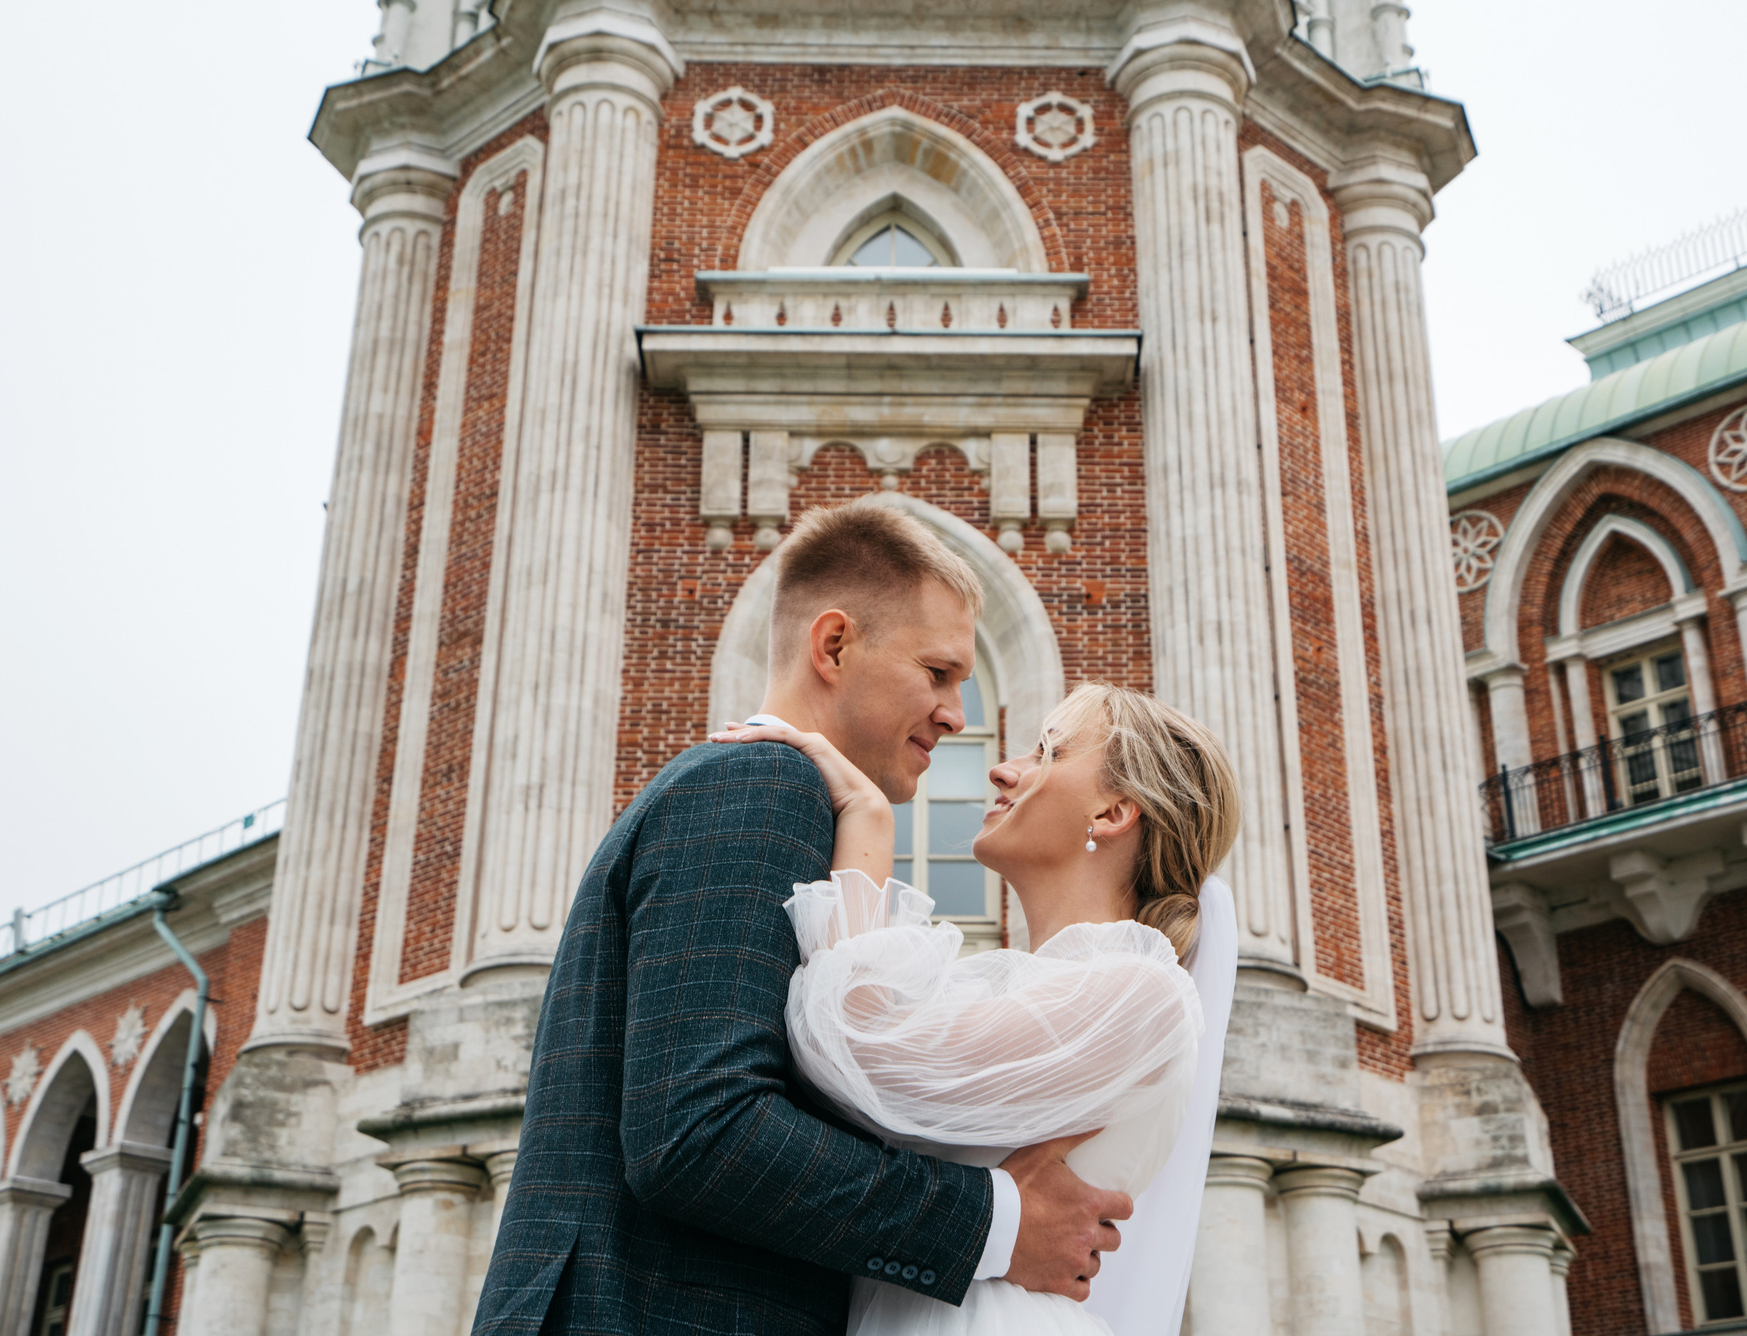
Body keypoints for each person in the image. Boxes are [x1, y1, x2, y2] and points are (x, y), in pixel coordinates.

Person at [474, 501, 1137, 1336]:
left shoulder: (785, 796)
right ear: (833, 646)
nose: (957, 716)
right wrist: (995, 1223)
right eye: (938, 673)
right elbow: (699, 1133)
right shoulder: (762, 787)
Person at [723, 680, 1240, 1336]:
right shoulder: (1024, 991)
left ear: (1112, 812)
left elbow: (857, 1044)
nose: (1003, 767)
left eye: (1047, 752)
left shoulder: (1140, 995)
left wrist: (866, 817)